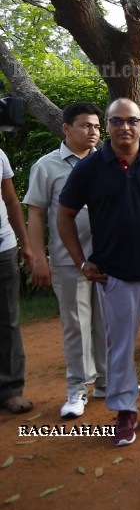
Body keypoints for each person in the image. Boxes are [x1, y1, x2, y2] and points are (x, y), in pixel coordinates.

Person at [58, 98, 140, 446]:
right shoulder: (89, 169)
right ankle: (125, 409)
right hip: (115, 275)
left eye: (131, 121)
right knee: (119, 347)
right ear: (107, 126)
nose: (124, 128)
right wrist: (81, 262)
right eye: (116, 121)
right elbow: (64, 216)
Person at [24, 101, 106, 418]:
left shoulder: (107, 162)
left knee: (105, 324)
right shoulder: (47, 166)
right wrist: (38, 258)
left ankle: (104, 382)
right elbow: (35, 213)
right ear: (67, 129)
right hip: (67, 261)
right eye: (86, 125)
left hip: (106, 260)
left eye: (97, 126)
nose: (93, 132)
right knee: (75, 325)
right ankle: (76, 389)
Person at [0, 146, 33, 414]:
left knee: (8, 320)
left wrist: (25, 242)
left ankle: (11, 390)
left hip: (3, 248)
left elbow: (11, 201)